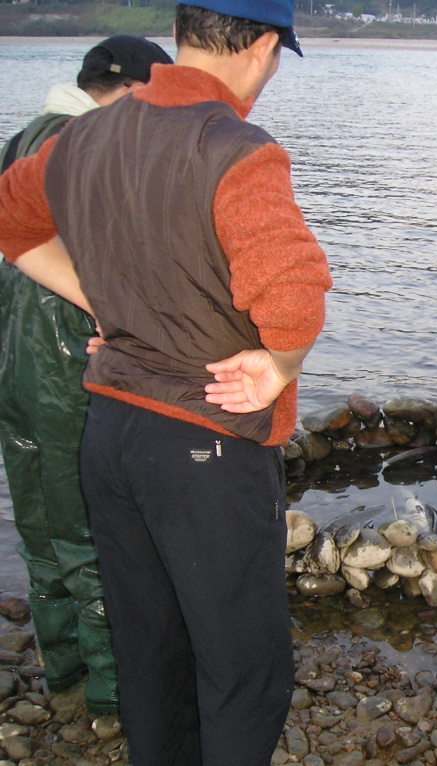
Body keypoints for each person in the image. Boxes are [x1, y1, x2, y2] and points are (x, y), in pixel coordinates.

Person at [0, 2, 332, 764]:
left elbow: (11, 223)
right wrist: (278, 364)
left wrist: (106, 302)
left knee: (151, 653)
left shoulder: (85, 132)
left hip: (110, 434)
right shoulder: (236, 146)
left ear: (182, 36)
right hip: (205, 443)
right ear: (261, 46)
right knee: (244, 671)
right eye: (277, 57)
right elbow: (293, 296)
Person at [0, 35, 172, 719]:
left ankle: (63, 675)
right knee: (92, 535)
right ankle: (111, 695)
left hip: (10, 367)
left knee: (40, 527)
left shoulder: (20, 139)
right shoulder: (95, 147)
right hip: (67, 368)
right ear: (130, 89)